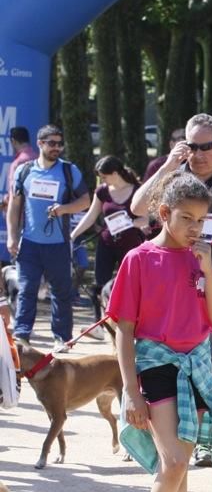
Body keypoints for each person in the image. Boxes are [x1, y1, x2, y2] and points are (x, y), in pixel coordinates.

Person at [131, 113, 212, 468]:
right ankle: (157, 432)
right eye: (192, 146)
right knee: (158, 351)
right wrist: (166, 167)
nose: (199, 154)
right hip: (172, 279)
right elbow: (137, 208)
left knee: (209, 359)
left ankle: (204, 436)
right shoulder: (174, 175)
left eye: (206, 146)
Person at [108, 170, 212, 492]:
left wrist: (208, 268)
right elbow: (124, 330)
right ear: (164, 214)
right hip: (155, 366)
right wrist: (131, 391)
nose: (195, 228)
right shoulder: (138, 259)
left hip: (196, 366)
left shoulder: (200, 259)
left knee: (180, 470)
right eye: (186, 219)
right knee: (175, 463)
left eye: (201, 220)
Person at [6, 125, 91, 346]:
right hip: (30, 244)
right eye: (51, 143)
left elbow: (85, 201)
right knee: (26, 290)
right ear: (40, 143)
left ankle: (61, 338)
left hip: (59, 244)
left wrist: (63, 209)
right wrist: (12, 237)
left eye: (60, 144)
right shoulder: (24, 171)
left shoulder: (68, 170)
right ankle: (22, 335)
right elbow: (14, 207)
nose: (57, 148)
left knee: (61, 293)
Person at [71, 155, 148, 327]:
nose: (102, 180)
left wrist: (131, 223)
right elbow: (91, 216)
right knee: (99, 284)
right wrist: (73, 235)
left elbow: (148, 218)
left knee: (131, 285)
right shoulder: (102, 191)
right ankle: (98, 323)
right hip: (106, 243)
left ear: (114, 173)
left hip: (131, 246)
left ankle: (132, 323)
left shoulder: (138, 190)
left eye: (104, 176)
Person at [1, 126, 38, 266]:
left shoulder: (18, 163)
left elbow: (15, 194)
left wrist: (7, 203)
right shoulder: (37, 159)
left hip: (20, 217)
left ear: (13, 141)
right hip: (36, 216)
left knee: (20, 259)